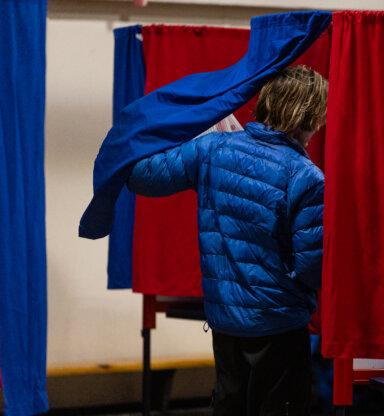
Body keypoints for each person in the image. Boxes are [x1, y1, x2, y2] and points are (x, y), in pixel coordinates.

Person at [127, 65, 327, 416]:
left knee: (229, 406)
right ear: (305, 117)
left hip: (226, 321)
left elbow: (142, 176)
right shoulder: (306, 176)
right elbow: (312, 265)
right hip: (280, 325)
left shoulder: (213, 149)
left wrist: (173, 126)